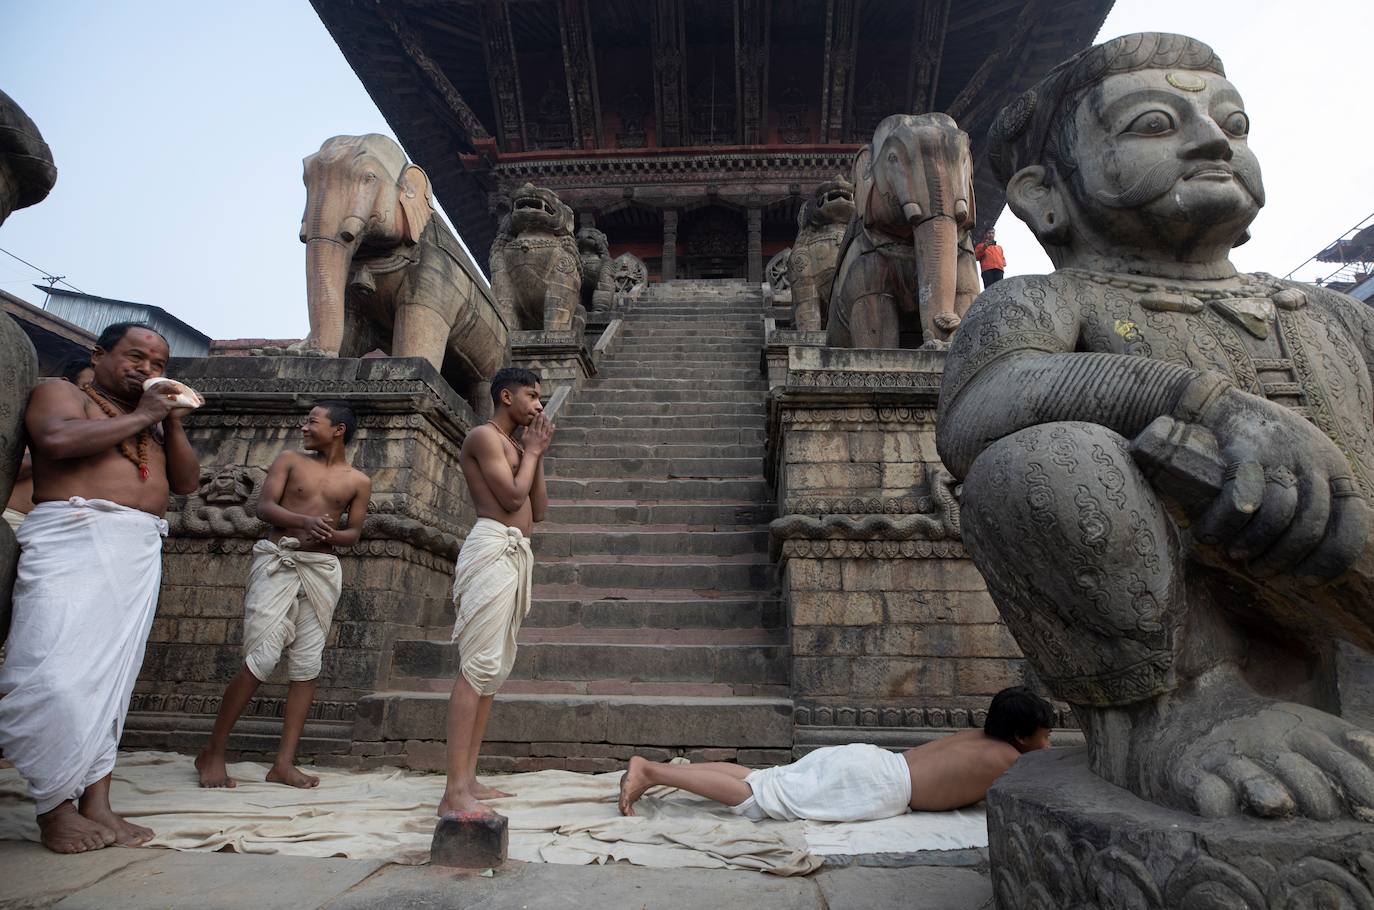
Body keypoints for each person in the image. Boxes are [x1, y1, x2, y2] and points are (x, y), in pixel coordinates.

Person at [0, 322, 199, 853]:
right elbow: (56, 440)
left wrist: (172, 423)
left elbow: (185, 484)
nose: (147, 370)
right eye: (136, 358)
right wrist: (144, 415)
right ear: (100, 354)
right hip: (72, 540)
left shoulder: (153, 422)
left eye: (158, 365)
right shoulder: (61, 393)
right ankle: (53, 807)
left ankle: (96, 803)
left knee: (112, 684)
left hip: (136, 550)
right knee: (55, 677)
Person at [196, 401, 371, 789]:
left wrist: (331, 535)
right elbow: (264, 507)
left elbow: (353, 534)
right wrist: (303, 521)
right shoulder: (290, 460)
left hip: (321, 571)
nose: (304, 426)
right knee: (262, 656)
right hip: (280, 561)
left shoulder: (358, 480)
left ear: (338, 430)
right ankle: (213, 751)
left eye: (313, 421)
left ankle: (284, 763)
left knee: (307, 665)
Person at [618, 687, 1054, 820]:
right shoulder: (1010, 760)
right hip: (877, 783)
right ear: (1019, 736)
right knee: (756, 798)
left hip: (871, 761)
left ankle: (654, 770)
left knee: (766, 778)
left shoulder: (976, 734)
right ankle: (653, 772)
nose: (1047, 746)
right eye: (1043, 737)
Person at [438, 367, 553, 818]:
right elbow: (509, 499)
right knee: (476, 666)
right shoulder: (484, 437)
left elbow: (537, 510)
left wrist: (535, 454)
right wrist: (532, 453)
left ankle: (468, 778)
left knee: (493, 670)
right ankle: (453, 791)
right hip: (491, 548)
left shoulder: (516, 445)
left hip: (515, 554)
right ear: (506, 396)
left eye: (541, 398)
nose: (539, 405)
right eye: (532, 395)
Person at [4, 358, 95, 531]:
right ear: (66, 384)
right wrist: (53, 451)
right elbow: (11, 467)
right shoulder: (40, 416)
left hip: (56, 529)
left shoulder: (101, 432)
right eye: (88, 388)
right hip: (12, 518)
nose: (94, 398)